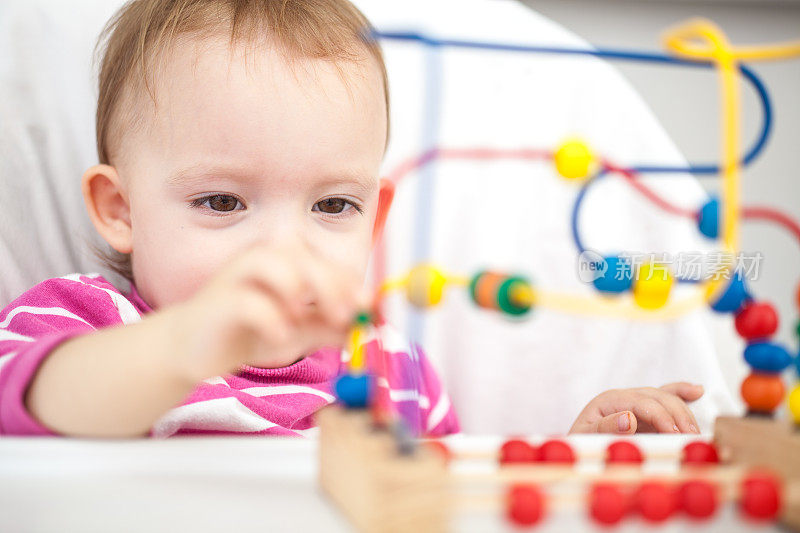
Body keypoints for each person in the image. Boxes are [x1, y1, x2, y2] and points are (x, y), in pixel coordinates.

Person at [0, 0, 702, 439]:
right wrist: (185, 344)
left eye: (332, 205)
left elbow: (444, 503)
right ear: (118, 210)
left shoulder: (394, 376)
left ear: (374, 217)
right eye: (222, 202)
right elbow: (36, 398)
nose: (284, 249)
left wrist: (572, 453)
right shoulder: (82, 324)